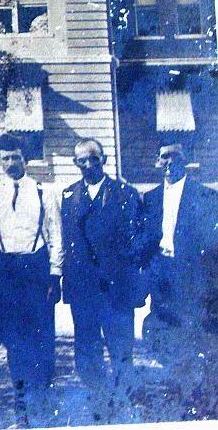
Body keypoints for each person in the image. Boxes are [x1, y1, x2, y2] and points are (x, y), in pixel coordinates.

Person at [0, 133, 62, 428]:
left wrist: (55, 273)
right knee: (15, 346)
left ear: (25, 159)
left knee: (42, 343)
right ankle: (22, 414)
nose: (11, 163)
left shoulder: (43, 192)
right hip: (6, 273)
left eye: (16, 157)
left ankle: (44, 411)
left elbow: (55, 235)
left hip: (36, 272)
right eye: (5, 159)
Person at [60, 138, 143, 419]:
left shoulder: (126, 194)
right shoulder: (68, 196)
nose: (86, 165)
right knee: (86, 346)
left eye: (92, 159)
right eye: (80, 160)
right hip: (83, 289)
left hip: (115, 288)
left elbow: (136, 242)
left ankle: (121, 403)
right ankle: (97, 399)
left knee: (120, 346)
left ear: (103, 159)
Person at [140, 142, 218, 414]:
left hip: (191, 277)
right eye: (164, 157)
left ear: (185, 160)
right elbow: (143, 239)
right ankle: (176, 392)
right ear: (158, 162)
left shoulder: (204, 196)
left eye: (175, 156)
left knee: (193, 334)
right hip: (162, 276)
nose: (169, 162)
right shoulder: (149, 198)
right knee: (167, 335)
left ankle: (197, 397)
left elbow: (211, 243)